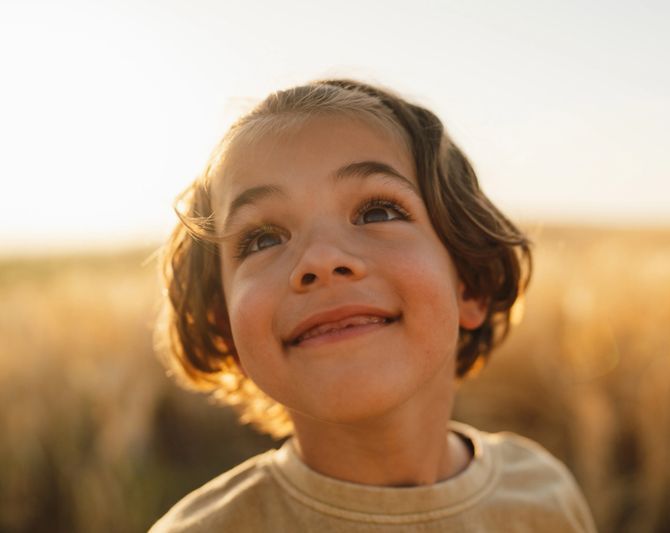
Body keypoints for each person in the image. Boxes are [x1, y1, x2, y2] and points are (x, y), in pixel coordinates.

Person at [150, 79, 596, 532]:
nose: (322, 260)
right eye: (262, 238)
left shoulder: (544, 496)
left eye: (377, 212)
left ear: (470, 285)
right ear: (226, 326)